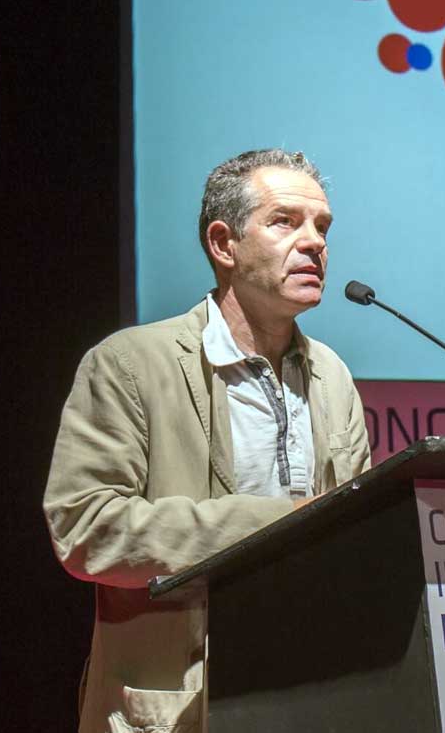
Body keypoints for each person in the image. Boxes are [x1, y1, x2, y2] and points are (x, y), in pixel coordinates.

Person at [44, 149, 372, 733]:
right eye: (285, 221)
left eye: (322, 227)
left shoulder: (334, 377)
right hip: (183, 707)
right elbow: (84, 529)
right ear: (223, 245)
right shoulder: (129, 365)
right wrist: (279, 523)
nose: (315, 242)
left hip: (315, 692)